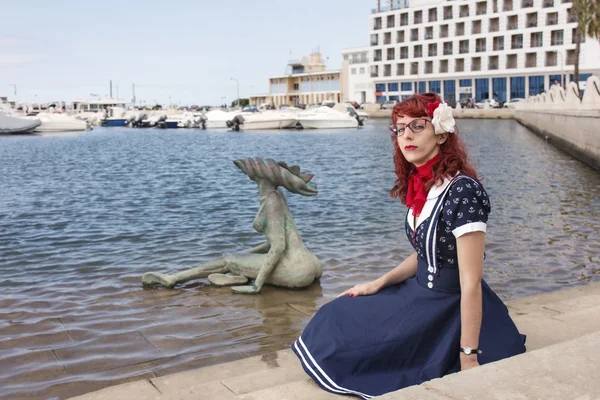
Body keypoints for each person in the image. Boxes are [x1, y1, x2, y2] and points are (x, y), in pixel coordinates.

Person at [292, 93, 526, 399]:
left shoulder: (463, 191)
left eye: (418, 126)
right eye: (400, 129)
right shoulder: (425, 185)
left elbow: (470, 282)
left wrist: (468, 356)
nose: (406, 136)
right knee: (335, 314)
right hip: (418, 292)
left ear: (441, 134)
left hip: (448, 309)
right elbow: (426, 254)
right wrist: (377, 283)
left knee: (352, 347)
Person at [142, 158, 322, 294]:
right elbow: (279, 242)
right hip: (312, 264)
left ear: (260, 176)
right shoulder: (278, 195)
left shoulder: (271, 202)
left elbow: (278, 246)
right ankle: (238, 275)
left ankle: (172, 279)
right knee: (239, 259)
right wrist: (247, 254)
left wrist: (257, 285)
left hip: (296, 271)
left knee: (228, 260)